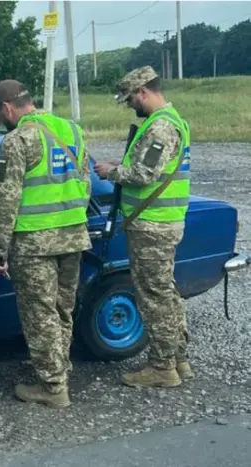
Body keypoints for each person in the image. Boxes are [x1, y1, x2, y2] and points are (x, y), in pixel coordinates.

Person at [0, 79, 92, 408]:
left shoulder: (17, 140)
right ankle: (60, 369)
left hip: (34, 242)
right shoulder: (71, 130)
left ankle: (52, 387)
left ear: (7, 108)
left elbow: (5, 200)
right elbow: (85, 179)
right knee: (62, 308)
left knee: (39, 314)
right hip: (74, 235)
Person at [94, 66, 192, 388]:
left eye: (130, 99)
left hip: (154, 226)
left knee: (153, 296)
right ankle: (177, 359)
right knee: (165, 292)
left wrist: (111, 171)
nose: (129, 105)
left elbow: (144, 175)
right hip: (160, 224)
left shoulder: (161, 127)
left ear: (143, 92)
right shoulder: (168, 122)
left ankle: (162, 368)